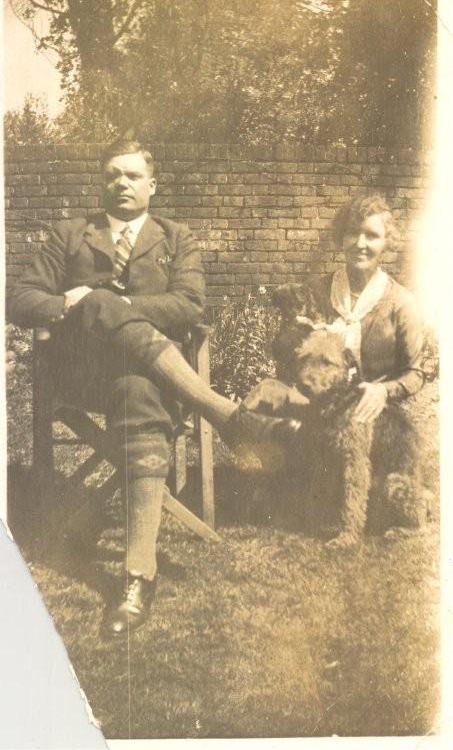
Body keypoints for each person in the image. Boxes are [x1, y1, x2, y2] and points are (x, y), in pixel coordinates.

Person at [6, 139, 299, 637]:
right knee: (97, 302)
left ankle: (137, 578)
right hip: (84, 377)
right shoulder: (70, 233)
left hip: (148, 378)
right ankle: (227, 416)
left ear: (152, 185)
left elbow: (189, 306)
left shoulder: (176, 237)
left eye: (132, 175)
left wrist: (113, 306)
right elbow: (19, 298)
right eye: (112, 175)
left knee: (137, 387)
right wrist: (73, 303)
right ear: (102, 183)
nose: (121, 183)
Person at [307, 193, 425, 420]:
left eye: (372, 236)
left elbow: (414, 374)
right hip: (318, 410)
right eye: (352, 232)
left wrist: (383, 391)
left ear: (386, 242)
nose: (360, 244)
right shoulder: (317, 292)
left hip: (375, 416)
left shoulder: (401, 303)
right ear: (341, 237)